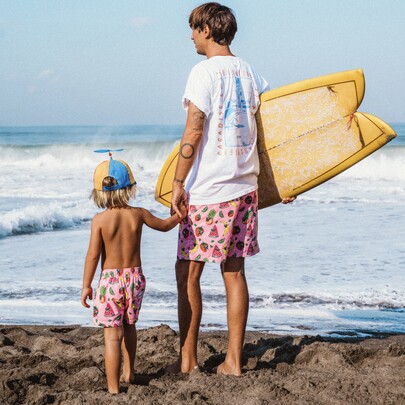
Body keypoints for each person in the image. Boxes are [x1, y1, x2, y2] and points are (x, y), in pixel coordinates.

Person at [169, 2, 294, 376]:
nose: (190, 35)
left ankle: (188, 361)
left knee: (187, 272)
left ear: (207, 29)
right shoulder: (250, 72)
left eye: (193, 28)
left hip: (210, 189)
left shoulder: (203, 73)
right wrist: (284, 180)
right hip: (245, 189)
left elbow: (193, 129)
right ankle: (234, 362)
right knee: (234, 271)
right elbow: (268, 133)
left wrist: (178, 182)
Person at [81, 154, 186, 394]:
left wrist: (87, 285)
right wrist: (179, 216)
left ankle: (113, 388)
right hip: (135, 279)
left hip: (110, 282)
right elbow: (164, 225)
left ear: (99, 192)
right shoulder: (139, 214)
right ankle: (129, 371)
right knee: (129, 325)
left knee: (111, 336)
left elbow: (93, 256)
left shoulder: (99, 220)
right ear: (129, 187)